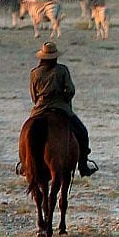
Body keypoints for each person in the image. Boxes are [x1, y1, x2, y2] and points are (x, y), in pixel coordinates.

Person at [28, 42, 97, 177]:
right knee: (82, 132)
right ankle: (83, 165)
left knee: (28, 133)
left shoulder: (34, 73)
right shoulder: (62, 70)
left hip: (40, 109)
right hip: (61, 108)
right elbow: (70, 90)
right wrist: (64, 99)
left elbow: (33, 95)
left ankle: (25, 164)